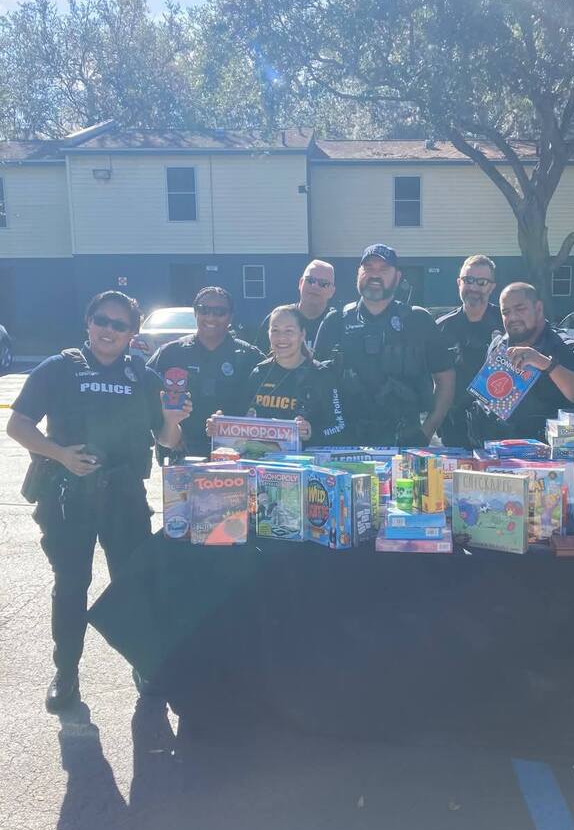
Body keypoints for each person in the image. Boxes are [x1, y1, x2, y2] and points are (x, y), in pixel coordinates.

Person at [7, 291, 190, 712]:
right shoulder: (59, 369)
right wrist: (61, 455)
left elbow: (165, 439)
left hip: (123, 497)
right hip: (68, 498)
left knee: (133, 585)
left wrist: (173, 423)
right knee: (71, 586)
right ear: (89, 323)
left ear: (132, 333)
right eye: (102, 321)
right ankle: (66, 672)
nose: (109, 330)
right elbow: (18, 425)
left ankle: (144, 664)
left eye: (120, 325)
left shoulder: (143, 377)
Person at [314, 244, 455, 447]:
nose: (375, 275)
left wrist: (428, 429)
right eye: (369, 268)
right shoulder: (335, 322)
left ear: (397, 277)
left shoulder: (417, 320)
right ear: (358, 274)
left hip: (406, 443)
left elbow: (446, 379)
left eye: (384, 269)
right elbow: (315, 381)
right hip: (345, 443)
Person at [469, 282, 574, 444]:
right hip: (501, 452)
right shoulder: (499, 346)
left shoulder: (563, 347)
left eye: (520, 309)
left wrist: (545, 363)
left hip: (547, 456)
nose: (513, 318)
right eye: (506, 312)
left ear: (538, 309)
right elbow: (488, 400)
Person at [148, 287, 262, 458]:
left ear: (230, 317)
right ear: (195, 313)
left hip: (237, 455)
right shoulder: (171, 353)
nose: (211, 317)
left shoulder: (249, 356)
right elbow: (145, 394)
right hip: (183, 455)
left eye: (219, 312)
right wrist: (164, 428)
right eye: (204, 310)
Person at [211, 304, 347, 444]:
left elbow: (339, 426)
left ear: (302, 334)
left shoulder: (321, 375)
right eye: (275, 330)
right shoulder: (259, 373)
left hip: (305, 462)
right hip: (262, 461)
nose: (281, 338)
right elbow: (238, 415)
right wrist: (219, 422)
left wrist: (310, 431)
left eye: (289, 331)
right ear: (268, 334)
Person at [436, 254, 501, 447]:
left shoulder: (507, 323)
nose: (473, 287)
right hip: (454, 429)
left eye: (482, 282)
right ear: (459, 283)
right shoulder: (441, 328)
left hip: (499, 428)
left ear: (491, 287)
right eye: (468, 280)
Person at [255, 260, 337, 355]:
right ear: (300, 283)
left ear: (332, 291)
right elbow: (257, 361)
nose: (315, 286)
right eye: (310, 280)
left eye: (323, 283)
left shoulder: (338, 323)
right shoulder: (278, 319)